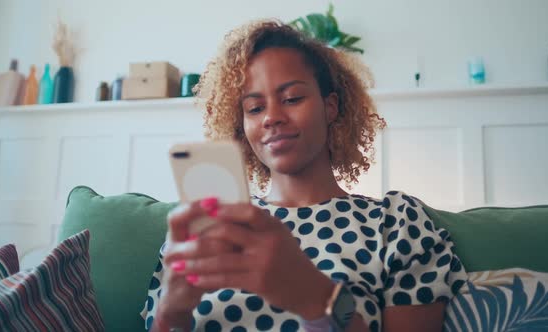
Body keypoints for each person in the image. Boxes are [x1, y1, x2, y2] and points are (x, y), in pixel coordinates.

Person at [141, 19, 467, 332]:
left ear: (331, 106)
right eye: (254, 108)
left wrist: (319, 299)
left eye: (292, 99)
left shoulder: (395, 224)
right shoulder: (208, 227)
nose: (271, 117)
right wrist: (172, 312)